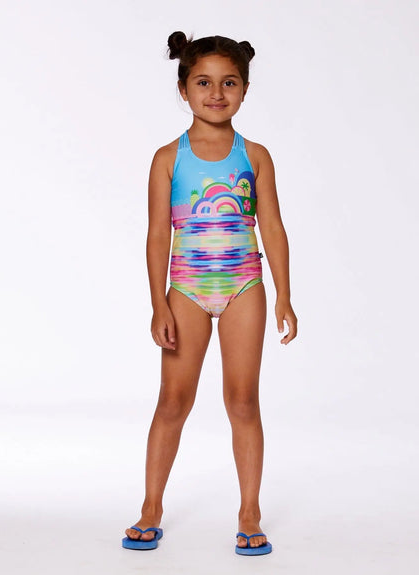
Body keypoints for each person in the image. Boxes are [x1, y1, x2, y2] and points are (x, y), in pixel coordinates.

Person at [122, 31, 298, 556]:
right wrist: (158, 303)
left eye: (229, 83)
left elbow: (273, 228)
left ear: (244, 89)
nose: (216, 93)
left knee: (242, 401)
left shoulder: (256, 156)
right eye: (203, 82)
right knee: (172, 401)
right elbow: (158, 234)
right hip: (186, 289)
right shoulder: (167, 158)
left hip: (244, 285)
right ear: (183, 89)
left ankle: (249, 511)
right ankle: (151, 507)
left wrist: (284, 295)